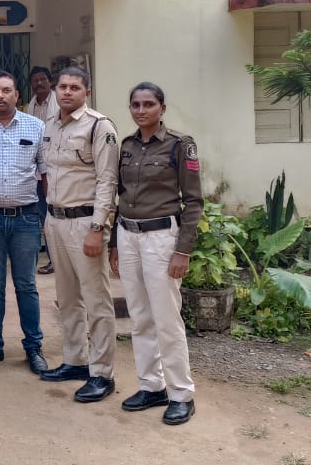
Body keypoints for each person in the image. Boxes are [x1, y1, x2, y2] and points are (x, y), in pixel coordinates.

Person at [110, 82, 203, 426]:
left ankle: (181, 394)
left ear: (162, 108)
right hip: (128, 235)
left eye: (148, 104)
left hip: (162, 237)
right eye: (135, 104)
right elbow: (120, 196)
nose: (141, 110)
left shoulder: (180, 145)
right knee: (140, 316)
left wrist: (183, 251)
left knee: (166, 318)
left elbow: (194, 202)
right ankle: (152, 386)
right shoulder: (126, 146)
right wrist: (114, 243)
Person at [37, 66, 119, 404]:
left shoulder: (100, 126)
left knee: (96, 301)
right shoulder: (50, 126)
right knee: (67, 297)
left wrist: (98, 228)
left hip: (86, 222)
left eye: (74, 87)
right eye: (63, 87)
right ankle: (75, 360)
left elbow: (107, 181)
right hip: (55, 220)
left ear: (87, 92)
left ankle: (102, 373)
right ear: (55, 90)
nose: (67, 92)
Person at [0, 71, 48, 375]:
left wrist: (48, 218)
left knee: (26, 285)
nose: (0, 96)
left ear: (17, 95)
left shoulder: (36, 127)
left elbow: (45, 175)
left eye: (6, 91)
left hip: (26, 218)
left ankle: (33, 347)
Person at [25, 66, 60, 275]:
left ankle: (57, 260)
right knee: (42, 215)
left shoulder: (58, 104)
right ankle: (52, 258)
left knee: (53, 214)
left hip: (54, 168)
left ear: (50, 82)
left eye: (42, 79)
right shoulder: (30, 107)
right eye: (35, 80)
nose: (38, 83)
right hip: (36, 171)